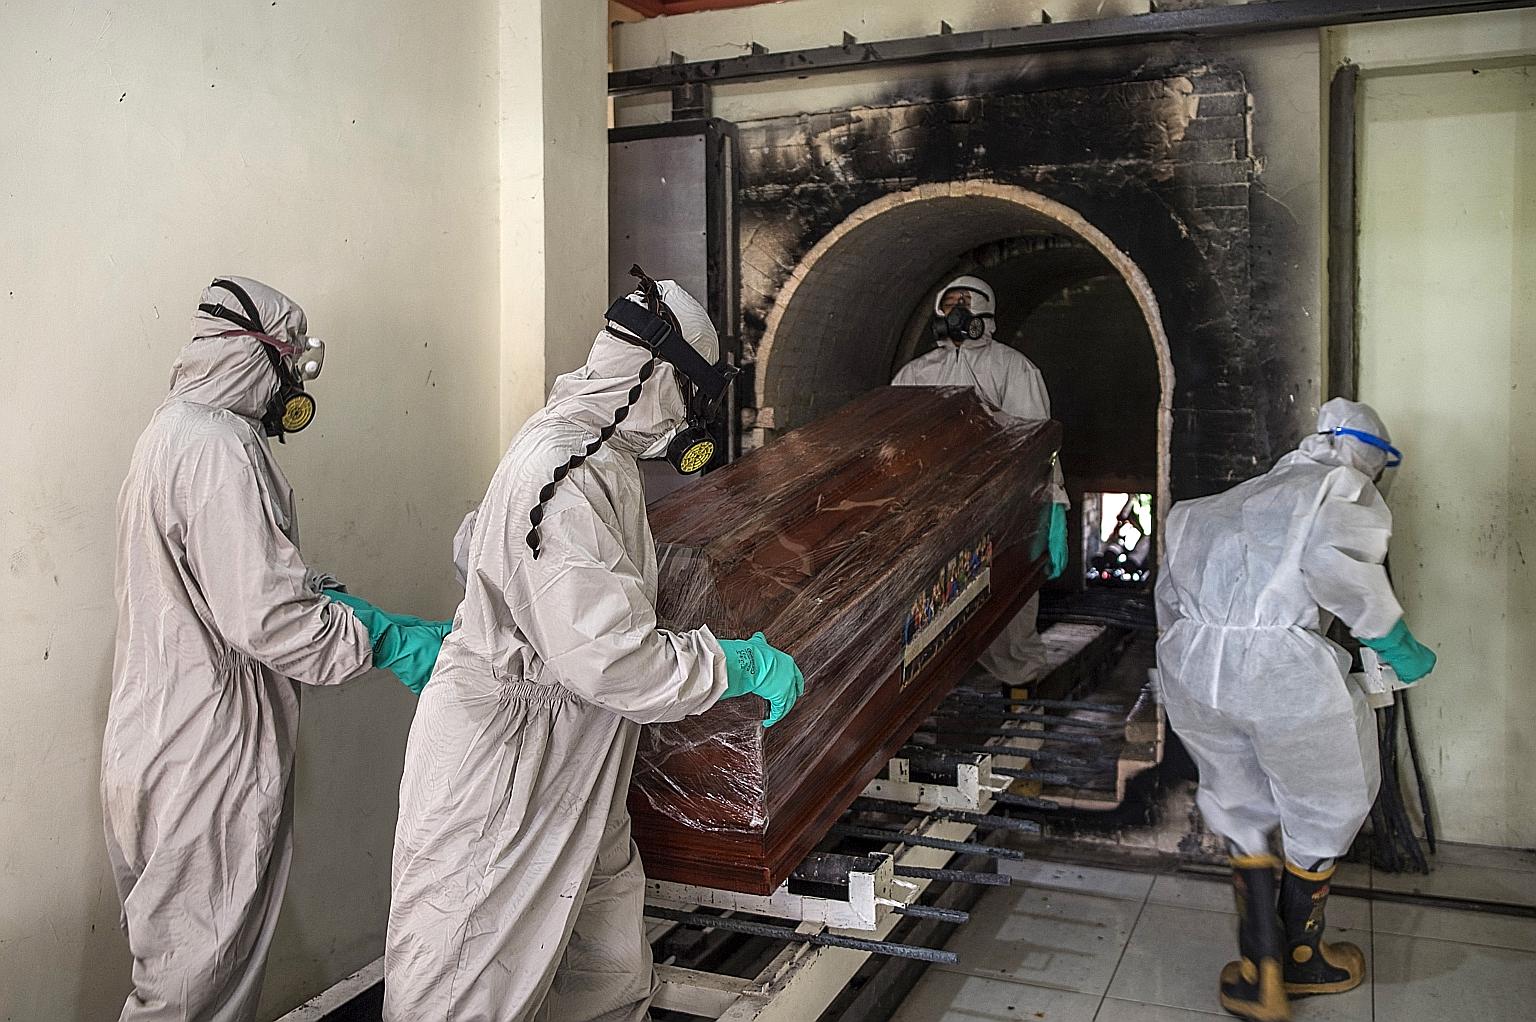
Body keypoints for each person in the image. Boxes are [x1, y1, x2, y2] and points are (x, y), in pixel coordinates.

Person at [385, 273, 805, 1022]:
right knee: (466, 970)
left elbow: (482, 550)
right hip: (512, 760)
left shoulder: (592, 452)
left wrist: (516, 617)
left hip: (574, 736)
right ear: (656, 375)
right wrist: (734, 662)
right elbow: (615, 661)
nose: (690, 416)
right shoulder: (562, 468)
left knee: (601, 945)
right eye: (691, 392)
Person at [101, 277, 450, 1022]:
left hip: (153, 736)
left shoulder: (170, 432)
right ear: (259, 356)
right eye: (291, 362)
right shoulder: (220, 447)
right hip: (208, 749)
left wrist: (324, 596)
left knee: (181, 970)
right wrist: (381, 639)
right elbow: (268, 620)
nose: (293, 384)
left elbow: (225, 581)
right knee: (191, 991)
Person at [1155, 398, 1437, 1022]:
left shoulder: (1214, 506)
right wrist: (1396, 642)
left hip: (1193, 663)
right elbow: (1341, 573)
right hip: (1281, 673)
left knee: (1237, 800)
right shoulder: (1338, 486)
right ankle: (1304, 958)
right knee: (1328, 798)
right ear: (1370, 455)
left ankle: (1260, 972)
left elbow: (1167, 598)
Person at [892, 274, 1070, 685]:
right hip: (933, 511)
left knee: (1007, 597)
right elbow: (895, 442)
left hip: (1000, 507)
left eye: (965, 302)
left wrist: (1052, 503)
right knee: (934, 600)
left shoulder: (1013, 368)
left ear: (984, 311)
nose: (956, 311)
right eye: (949, 302)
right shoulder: (915, 373)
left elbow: (1037, 441)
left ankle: (1020, 686)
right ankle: (938, 684)